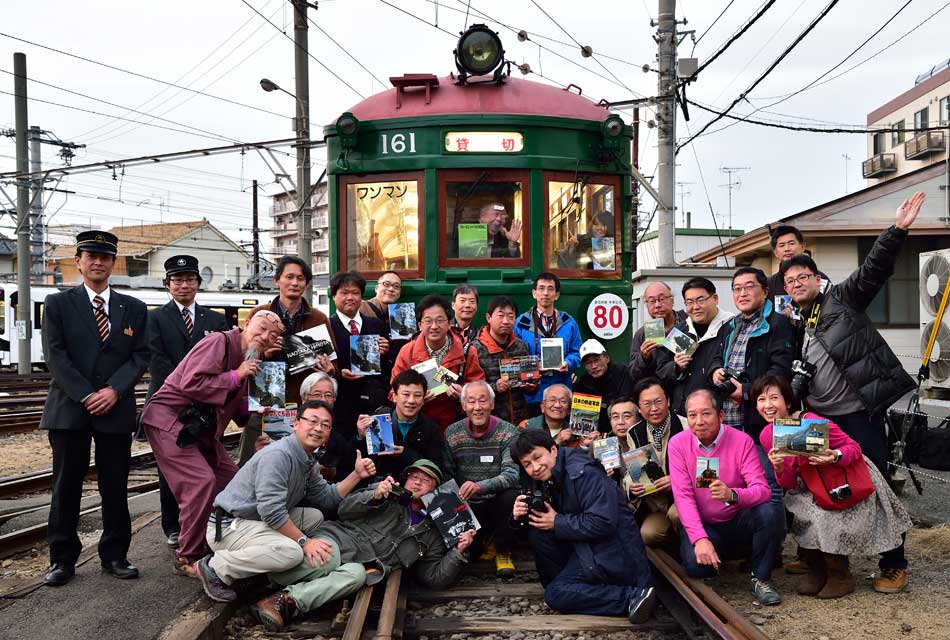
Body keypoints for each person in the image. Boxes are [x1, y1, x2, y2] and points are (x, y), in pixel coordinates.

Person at [778, 191, 925, 593]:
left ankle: (894, 563)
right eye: (789, 281)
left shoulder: (841, 299)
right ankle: (828, 561)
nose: (795, 284)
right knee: (814, 483)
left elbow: (873, 270)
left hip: (859, 414)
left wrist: (897, 229)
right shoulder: (796, 324)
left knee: (876, 485)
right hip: (817, 417)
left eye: (802, 278)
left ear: (816, 278)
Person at [40, 230, 150, 586]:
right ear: (79, 261)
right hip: (70, 409)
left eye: (105, 257)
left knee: (115, 485)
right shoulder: (57, 305)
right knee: (66, 485)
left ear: (112, 263)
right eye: (91, 256)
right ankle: (62, 560)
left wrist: (115, 391)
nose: (98, 262)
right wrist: (88, 394)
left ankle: (116, 555)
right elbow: (55, 356)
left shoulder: (133, 308)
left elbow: (141, 356)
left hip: (115, 410)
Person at [250, 459, 474, 631]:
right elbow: (344, 509)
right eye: (413, 476)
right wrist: (375, 496)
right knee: (328, 557)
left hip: (364, 564)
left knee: (357, 576)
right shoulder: (386, 492)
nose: (416, 481)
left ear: (436, 488)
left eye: (425, 479)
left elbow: (432, 577)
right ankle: (263, 579)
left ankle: (285, 601)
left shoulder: (434, 532)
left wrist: (458, 551)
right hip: (338, 541)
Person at [141, 311, 284, 573]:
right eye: (261, 328)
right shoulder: (218, 342)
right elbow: (192, 382)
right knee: (200, 482)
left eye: (272, 335)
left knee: (233, 482)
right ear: (246, 324)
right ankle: (189, 555)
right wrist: (236, 375)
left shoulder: (251, 360)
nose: (264, 337)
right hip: (170, 420)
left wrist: (258, 410)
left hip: (202, 429)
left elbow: (237, 411)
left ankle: (216, 541)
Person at [195, 401, 377, 603]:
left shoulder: (305, 459)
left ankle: (261, 559)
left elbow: (326, 498)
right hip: (227, 526)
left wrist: (357, 475)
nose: (318, 428)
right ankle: (215, 567)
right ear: (296, 423)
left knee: (314, 517)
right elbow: (271, 511)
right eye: (313, 421)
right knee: (292, 553)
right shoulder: (278, 455)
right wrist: (304, 542)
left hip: (252, 520)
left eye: (325, 425)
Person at [753, 375, 912, 598]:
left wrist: (834, 457)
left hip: (840, 480)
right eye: (761, 400)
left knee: (823, 516)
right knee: (800, 510)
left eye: (773, 398)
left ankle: (840, 575)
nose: (767, 405)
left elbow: (853, 448)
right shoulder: (768, 435)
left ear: (787, 401)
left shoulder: (810, 421)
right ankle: (818, 571)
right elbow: (789, 483)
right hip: (809, 486)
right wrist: (779, 469)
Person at [510, 429, 656, 623]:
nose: (535, 467)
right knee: (539, 533)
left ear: (553, 450)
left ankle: (633, 597)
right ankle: (569, 586)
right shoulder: (549, 475)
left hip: (616, 553)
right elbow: (540, 525)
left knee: (555, 595)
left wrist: (556, 522)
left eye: (538, 457)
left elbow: (603, 522)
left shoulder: (582, 472)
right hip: (589, 548)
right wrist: (518, 518)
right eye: (527, 464)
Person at [667, 390, 785, 605]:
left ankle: (761, 578)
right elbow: (683, 496)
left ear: (720, 416)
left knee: (768, 511)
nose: (699, 422)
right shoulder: (678, 444)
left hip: (737, 520)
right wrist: (700, 539)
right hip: (706, 524)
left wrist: (732, 495)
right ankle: (712, 563)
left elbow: (763, 490)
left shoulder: (742, 441)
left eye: (706, 414)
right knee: (695, 567)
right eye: (692, 415)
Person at [146, 255, 229, 549]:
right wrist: (186, 390)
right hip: (170, 404)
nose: (184, 285)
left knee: (204, 464)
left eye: (190, 280)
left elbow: (220, 362)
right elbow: (156, 360)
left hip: (205, 406)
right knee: (170, 469)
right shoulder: (154, 317)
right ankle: (173, 524)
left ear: (198, 284)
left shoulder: (215, 319)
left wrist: (203, 393)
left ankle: (202, 521)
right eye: (178, 280)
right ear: (168, 285)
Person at [710, 267, 795, 510]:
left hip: (762, 420)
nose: (742, 293)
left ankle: (772, 544)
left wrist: (746, 391)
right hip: (729, 419)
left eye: (749, 287)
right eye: (737, 289)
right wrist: (716, 369)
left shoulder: (778, 324)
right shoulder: (730, 325)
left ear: (765, 291)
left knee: (768, 485)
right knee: (733, 483)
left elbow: (781, 372)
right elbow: (716, 357)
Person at [241, 256, 337, 465]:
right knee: (255, 462)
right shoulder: (260, 314)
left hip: (303, 408)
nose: (295, 283)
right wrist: (264, 355)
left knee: (299, 464)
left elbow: (333, 365)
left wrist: (329, 370)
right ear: (277, 280)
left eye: (300, 278)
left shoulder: (318, 318)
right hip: (265, 405)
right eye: (289, 277)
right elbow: (243, 359)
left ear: (306, 283)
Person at [443, 381, 520, 576]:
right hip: (466, 504)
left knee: (511, 495)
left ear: (492, 404)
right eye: (471, 402)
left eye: (483, 401)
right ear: (463, 406)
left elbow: (512, 474)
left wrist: (480, 486)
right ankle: (479, 542)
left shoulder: (508, 431)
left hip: (495, 501)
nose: (477, 407)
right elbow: (447, 474)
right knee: (472, 555)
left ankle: (503, 550)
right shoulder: (452, 433)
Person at [391, 295, 485, 435]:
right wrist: (415, 398)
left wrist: (464, 394)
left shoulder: (466, 351)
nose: (434, 326)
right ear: (419, 324)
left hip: (455, 425)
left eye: (440, 320)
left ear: (449, 323)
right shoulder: (407, 352)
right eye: (428, 321)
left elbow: (478, 387)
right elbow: (393, 390)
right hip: (417, 425)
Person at [328, 271, 391, 477]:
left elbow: (390, 367)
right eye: (344, 292)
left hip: (375, 403)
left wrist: (385, 351)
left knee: (379, 458)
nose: (350, 297)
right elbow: (319, 370)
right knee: (345, 458)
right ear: (334, 296)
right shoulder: (326, 328)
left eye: (355, 292)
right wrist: (338, 373)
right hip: (342, 406)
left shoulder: (376, 325)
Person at [655, 277, 733, 417]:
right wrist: (676, 367)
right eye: (689, 302)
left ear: (715, 298)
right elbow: (661, 369)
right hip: (682, 413)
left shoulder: (731, 327)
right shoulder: (681, 330)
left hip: (718, 413)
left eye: (701, 300)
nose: (695, 307)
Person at [622, 379, 685, 547]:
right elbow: (632, 471)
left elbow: (705, 470)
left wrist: (676, 481)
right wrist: (631, 486)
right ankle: (677, 549)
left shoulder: (687, 426)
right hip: (656, 503)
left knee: (677, 514)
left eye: (658, 401)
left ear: (668, 401)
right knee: (648, 534)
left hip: (686, 498)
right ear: (639, 408)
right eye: (647, 404)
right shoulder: (634, 432)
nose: (654, 408)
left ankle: (691, 549)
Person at [514, 273, 582, 418]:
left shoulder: (568, 322)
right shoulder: (521, 323)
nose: (545, 293)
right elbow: (513, 356)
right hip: (533, 391)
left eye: (550, 289)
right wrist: (534, 365)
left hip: (561, 388)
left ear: (556, 295)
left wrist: (568, 363)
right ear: (534, 293)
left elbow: (577, 352)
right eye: (541, 288)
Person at [354, 369, 443, 479]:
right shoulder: (380, 418)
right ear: (394, 396)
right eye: (406, 394)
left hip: (413, 487)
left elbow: (435, 469)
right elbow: (359, 460)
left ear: (424, 399)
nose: (411, 400)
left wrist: (405, 454)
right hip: (379, 484)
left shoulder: (431, 428)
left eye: (417, 395)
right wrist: (360, 437)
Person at [473, 295, 533, 426]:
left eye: (511, 316)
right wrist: (495, 387)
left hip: (520, 418)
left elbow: (529, 383)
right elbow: (470, 387)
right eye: (500, 316)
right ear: (489, 318)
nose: (506, 321)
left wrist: (532, 385)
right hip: (490, 420)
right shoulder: (475, 348)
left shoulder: (521, 346)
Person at [628, 282, 687, 381]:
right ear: (646, 305)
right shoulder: (642, 334)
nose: (657, 305)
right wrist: (643, 358)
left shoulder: (688, 324)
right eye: (652, 301)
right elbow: (633, 374)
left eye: (662, 299)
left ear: (672, 301)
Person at [573, 338, 633, 434]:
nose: (593, 366)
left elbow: (627, 408)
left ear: (606, 358)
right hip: (596, 437)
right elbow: (582, 427)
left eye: (596, 360)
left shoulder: (622, 373)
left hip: (624, 431)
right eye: (588, 363)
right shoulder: (583, 383)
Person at [765, 225, 829, 305]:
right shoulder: (769, 284)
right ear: (776, 252)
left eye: (791, 243)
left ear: (802, 247)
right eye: (782, 245)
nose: (787, 249)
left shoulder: (818, 277)